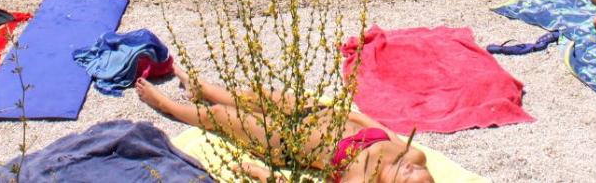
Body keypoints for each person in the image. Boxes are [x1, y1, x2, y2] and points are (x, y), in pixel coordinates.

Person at [135, 73, 433, 183]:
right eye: (422, 173)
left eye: (409, 177)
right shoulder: (413, 155)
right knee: (258, 97)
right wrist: (342, 112)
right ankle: (204, 88)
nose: (412, 168)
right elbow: (378, 127)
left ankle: (167, 106)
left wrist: (260, 173)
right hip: (318, 113)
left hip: (289, 141)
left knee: (222, 116)